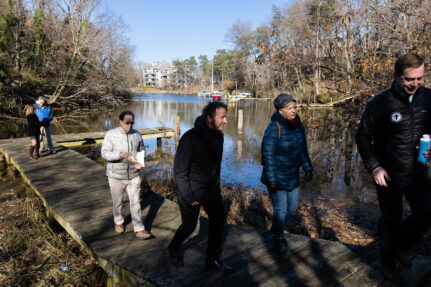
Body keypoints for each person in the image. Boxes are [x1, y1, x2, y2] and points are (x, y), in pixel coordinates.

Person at [356, 53, 431, 285]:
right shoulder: (380, 103)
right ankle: (388, 266)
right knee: (391, 220)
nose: (415, 84)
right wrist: (374, 167)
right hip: (387, 173)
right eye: (410, 79)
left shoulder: (428, 98)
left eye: (420, 78)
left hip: (417, 170)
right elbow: (361, 137)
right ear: (396, 76)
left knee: (426, 213)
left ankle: (401, 246)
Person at [167, 101, 233, 273]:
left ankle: (212, 261)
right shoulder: (190, 138)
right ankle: (173, 247)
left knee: (218, 223)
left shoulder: (219, 137)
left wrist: (216, 188)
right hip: (190, 191)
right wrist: (188, 196)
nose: (225, 121)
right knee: (189, 226)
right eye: (222, 117)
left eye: (226, 117)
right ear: (209, 117)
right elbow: (180, 171)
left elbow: (215, 166)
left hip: (211, 191)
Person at [261, 94, 313, 254]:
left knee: (292, 208)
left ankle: (276, 228)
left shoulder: (298, 126)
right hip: (276, 177)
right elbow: (267, 154)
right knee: (281, 208)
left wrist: (307, 167)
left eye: (295, 107)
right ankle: (278, 237)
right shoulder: (273, 127)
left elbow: (302, 148)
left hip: (292, 175)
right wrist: (272, 179)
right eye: (290, 108)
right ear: (281, 110)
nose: (294, 111)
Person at [101, 111, 154, 240]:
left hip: (134, 175)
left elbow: (142, 151)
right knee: (118, 202)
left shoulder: (137, 135)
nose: (129, 126)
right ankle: (118, 221)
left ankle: (139, 229)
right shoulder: (111, 134)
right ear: (120, 122)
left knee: (136, 202)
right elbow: (104, 154)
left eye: (131, 123)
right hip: (116, 176)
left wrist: (140, 163)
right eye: (127, 123)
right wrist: (120, 154)